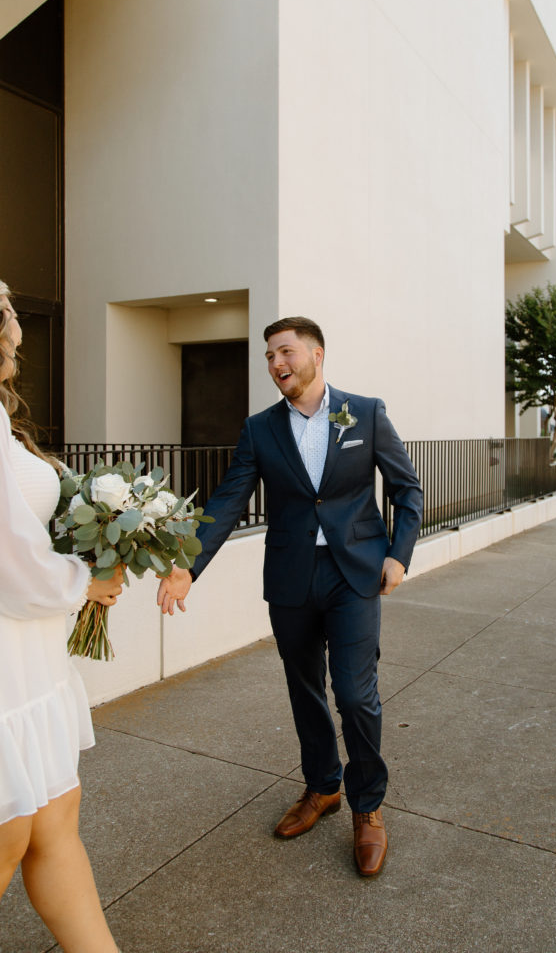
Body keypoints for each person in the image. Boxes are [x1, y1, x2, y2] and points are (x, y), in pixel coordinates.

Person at [157, 316, 423, 877]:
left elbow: (406, 487)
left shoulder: (365, 412)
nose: (277, 365)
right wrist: (187, 566)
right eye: (270, 358)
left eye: (286, 352)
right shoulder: (261, 429)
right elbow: (229, 500)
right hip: (291, 578)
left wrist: (399, 553)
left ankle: (367, 806)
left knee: (354, 694)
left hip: (355, 574)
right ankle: (323, 787)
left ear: (317, 354)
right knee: (304, 689)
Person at [0, 282, 123, 952]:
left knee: (54, 822)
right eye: (11, 313)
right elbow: (10, 565)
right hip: (5, 662)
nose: (19, 326)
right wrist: (90, 582)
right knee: (12, 834)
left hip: (30, 662)